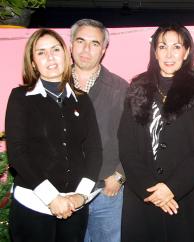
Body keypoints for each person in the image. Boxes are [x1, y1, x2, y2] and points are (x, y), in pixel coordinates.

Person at [118, 23, 194, 242]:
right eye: (162, 47)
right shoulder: (137, 87)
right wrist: (151, 191)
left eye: (176, 46)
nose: (169, 54)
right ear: (155, 51)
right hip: (142, 194)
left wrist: (171, 188)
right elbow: (126, 146)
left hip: (183, 196)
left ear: (187, 51)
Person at [5, 28, 102, 242]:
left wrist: (81, 195)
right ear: (32, 62)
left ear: (66, 55)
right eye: (41, 52)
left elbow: (94, 150)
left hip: (74, 206)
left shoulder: (82, 99)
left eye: (55, 49)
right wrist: (52, 198)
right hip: (33, 206)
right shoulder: (21, 97)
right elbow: (18, 154)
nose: (50, 57)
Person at [70, 18, 128, 242]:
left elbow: (135, 139)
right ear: (71, 44)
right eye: (81, 41)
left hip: (107, 191)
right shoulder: (54, 86)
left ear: (104, 49)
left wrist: (120, 176)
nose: (86, 49)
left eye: (94, 43)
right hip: (65, 192)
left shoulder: (121, 88)